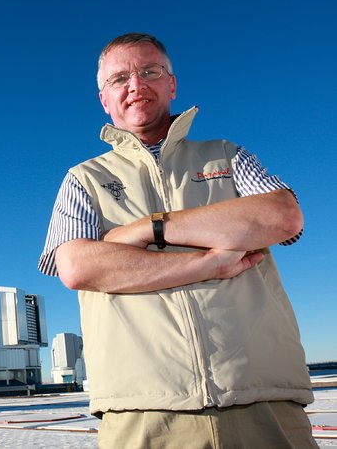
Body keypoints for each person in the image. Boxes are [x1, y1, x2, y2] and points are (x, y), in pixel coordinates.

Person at [38, 32, 317, 448]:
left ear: (172, 83)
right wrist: (209, 262)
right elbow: (77, 266)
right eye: (119, 79)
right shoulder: (84, 180)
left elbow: (282, 217)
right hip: (144, 413)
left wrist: (146, 230)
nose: (135, 85)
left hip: (262, 401)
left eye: (149, 71)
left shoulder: (226, 155)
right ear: (104, 99)